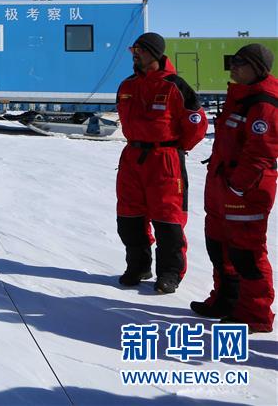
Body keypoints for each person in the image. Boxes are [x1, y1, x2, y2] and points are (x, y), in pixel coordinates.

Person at [191, 43, 277, 332]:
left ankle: (255, 314)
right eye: (233, 61)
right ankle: (226, 300)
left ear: (258, 68)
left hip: (246, 190)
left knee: (246, 253)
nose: (234, 66)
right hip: (221, 186)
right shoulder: (239, 96)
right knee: (219, 247)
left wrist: (238, 187)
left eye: (241, 62)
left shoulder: (264, 103)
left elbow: (261, 153)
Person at [116, 32, 208, 293]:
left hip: (165, 160)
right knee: (128, 216)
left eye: (140, 49)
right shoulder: (127, 86)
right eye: (133, 49)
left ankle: (169, 273)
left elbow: (197, 123)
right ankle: (138, 266)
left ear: (154, 53)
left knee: (168, 218)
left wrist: (176, 148)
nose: (135, 54)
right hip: (133, 157)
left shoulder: (175, 85)